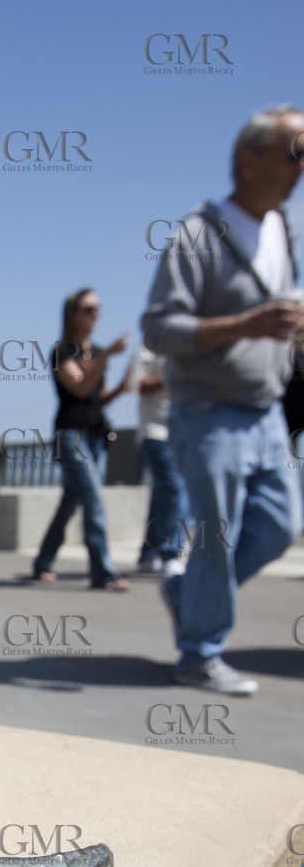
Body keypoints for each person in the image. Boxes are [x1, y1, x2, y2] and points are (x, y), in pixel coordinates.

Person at [142, 104, 304, 695]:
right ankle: (199, 654)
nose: (302, 168)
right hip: (208, 411)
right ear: (249, 159)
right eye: (296, 152)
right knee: (218, 535)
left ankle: (188, 596)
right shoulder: (198, 234)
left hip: (265, 411)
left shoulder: (281, 230)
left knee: (280, 527)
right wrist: (245, 324)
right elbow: (159, 330)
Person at [32, 289, 132, 590]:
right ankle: (102, 572)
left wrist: (124, 386)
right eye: (88, 309)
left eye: (98, 308)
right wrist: (105, 358)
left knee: (70, 503)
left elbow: (97, 397)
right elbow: (78, 387)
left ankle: (42, 562)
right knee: (93, 498)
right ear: (73, 313)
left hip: (96, 436)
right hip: (70, 436)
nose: (95, 314)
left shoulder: (97, 353)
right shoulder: (63, 352)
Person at [129, 345, 190, 575]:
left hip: (184, 432)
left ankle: (148, 553)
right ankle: (171, 554)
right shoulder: (148, 348)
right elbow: (137, 384)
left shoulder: (188, 347)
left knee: (162, 495)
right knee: (175, 489)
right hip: (155, 433)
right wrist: (173, 373)